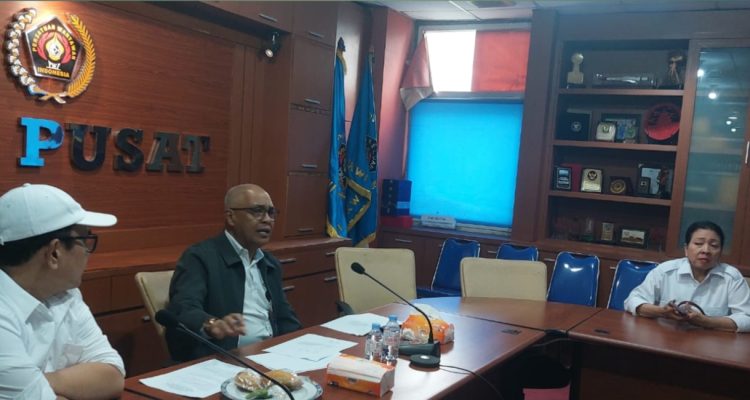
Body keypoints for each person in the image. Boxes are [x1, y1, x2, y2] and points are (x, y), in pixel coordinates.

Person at [0, 183, 124, 399]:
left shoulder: (66, 294)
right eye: (85, 240)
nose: (88, 252)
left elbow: (113, 376)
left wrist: (38, 382)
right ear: (54, 253)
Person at [166, 183, 302, 361]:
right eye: (257, 211)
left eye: (271, 212)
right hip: (223, 358)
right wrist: (213, 324)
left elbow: (285, 317)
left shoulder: (269, 263)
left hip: (270, 355)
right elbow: (183, 308)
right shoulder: (200, 257)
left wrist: (304, 346)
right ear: (231, 217)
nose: (267, 219)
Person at [625, 220, 750, 332]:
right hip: (666, 339)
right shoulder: (666, 271)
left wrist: (706, 321)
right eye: (699, 243)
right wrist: (662, 312)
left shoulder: (732, 277)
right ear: (686, 249)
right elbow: (632, 300)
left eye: (714, 246)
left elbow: (746, 319)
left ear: (721, 252)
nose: (706, 250)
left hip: (711, 344)